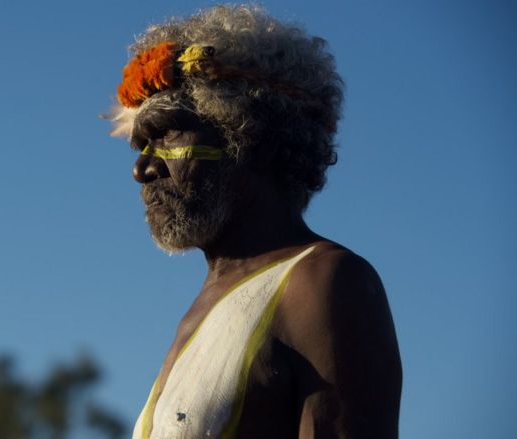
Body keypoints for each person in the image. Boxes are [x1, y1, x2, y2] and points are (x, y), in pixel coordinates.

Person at [108, 5, 402, 438]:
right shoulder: (198, 312)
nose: (142, 168)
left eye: (168, 134)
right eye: (140, 144)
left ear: (253, 139)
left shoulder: (323, 283)